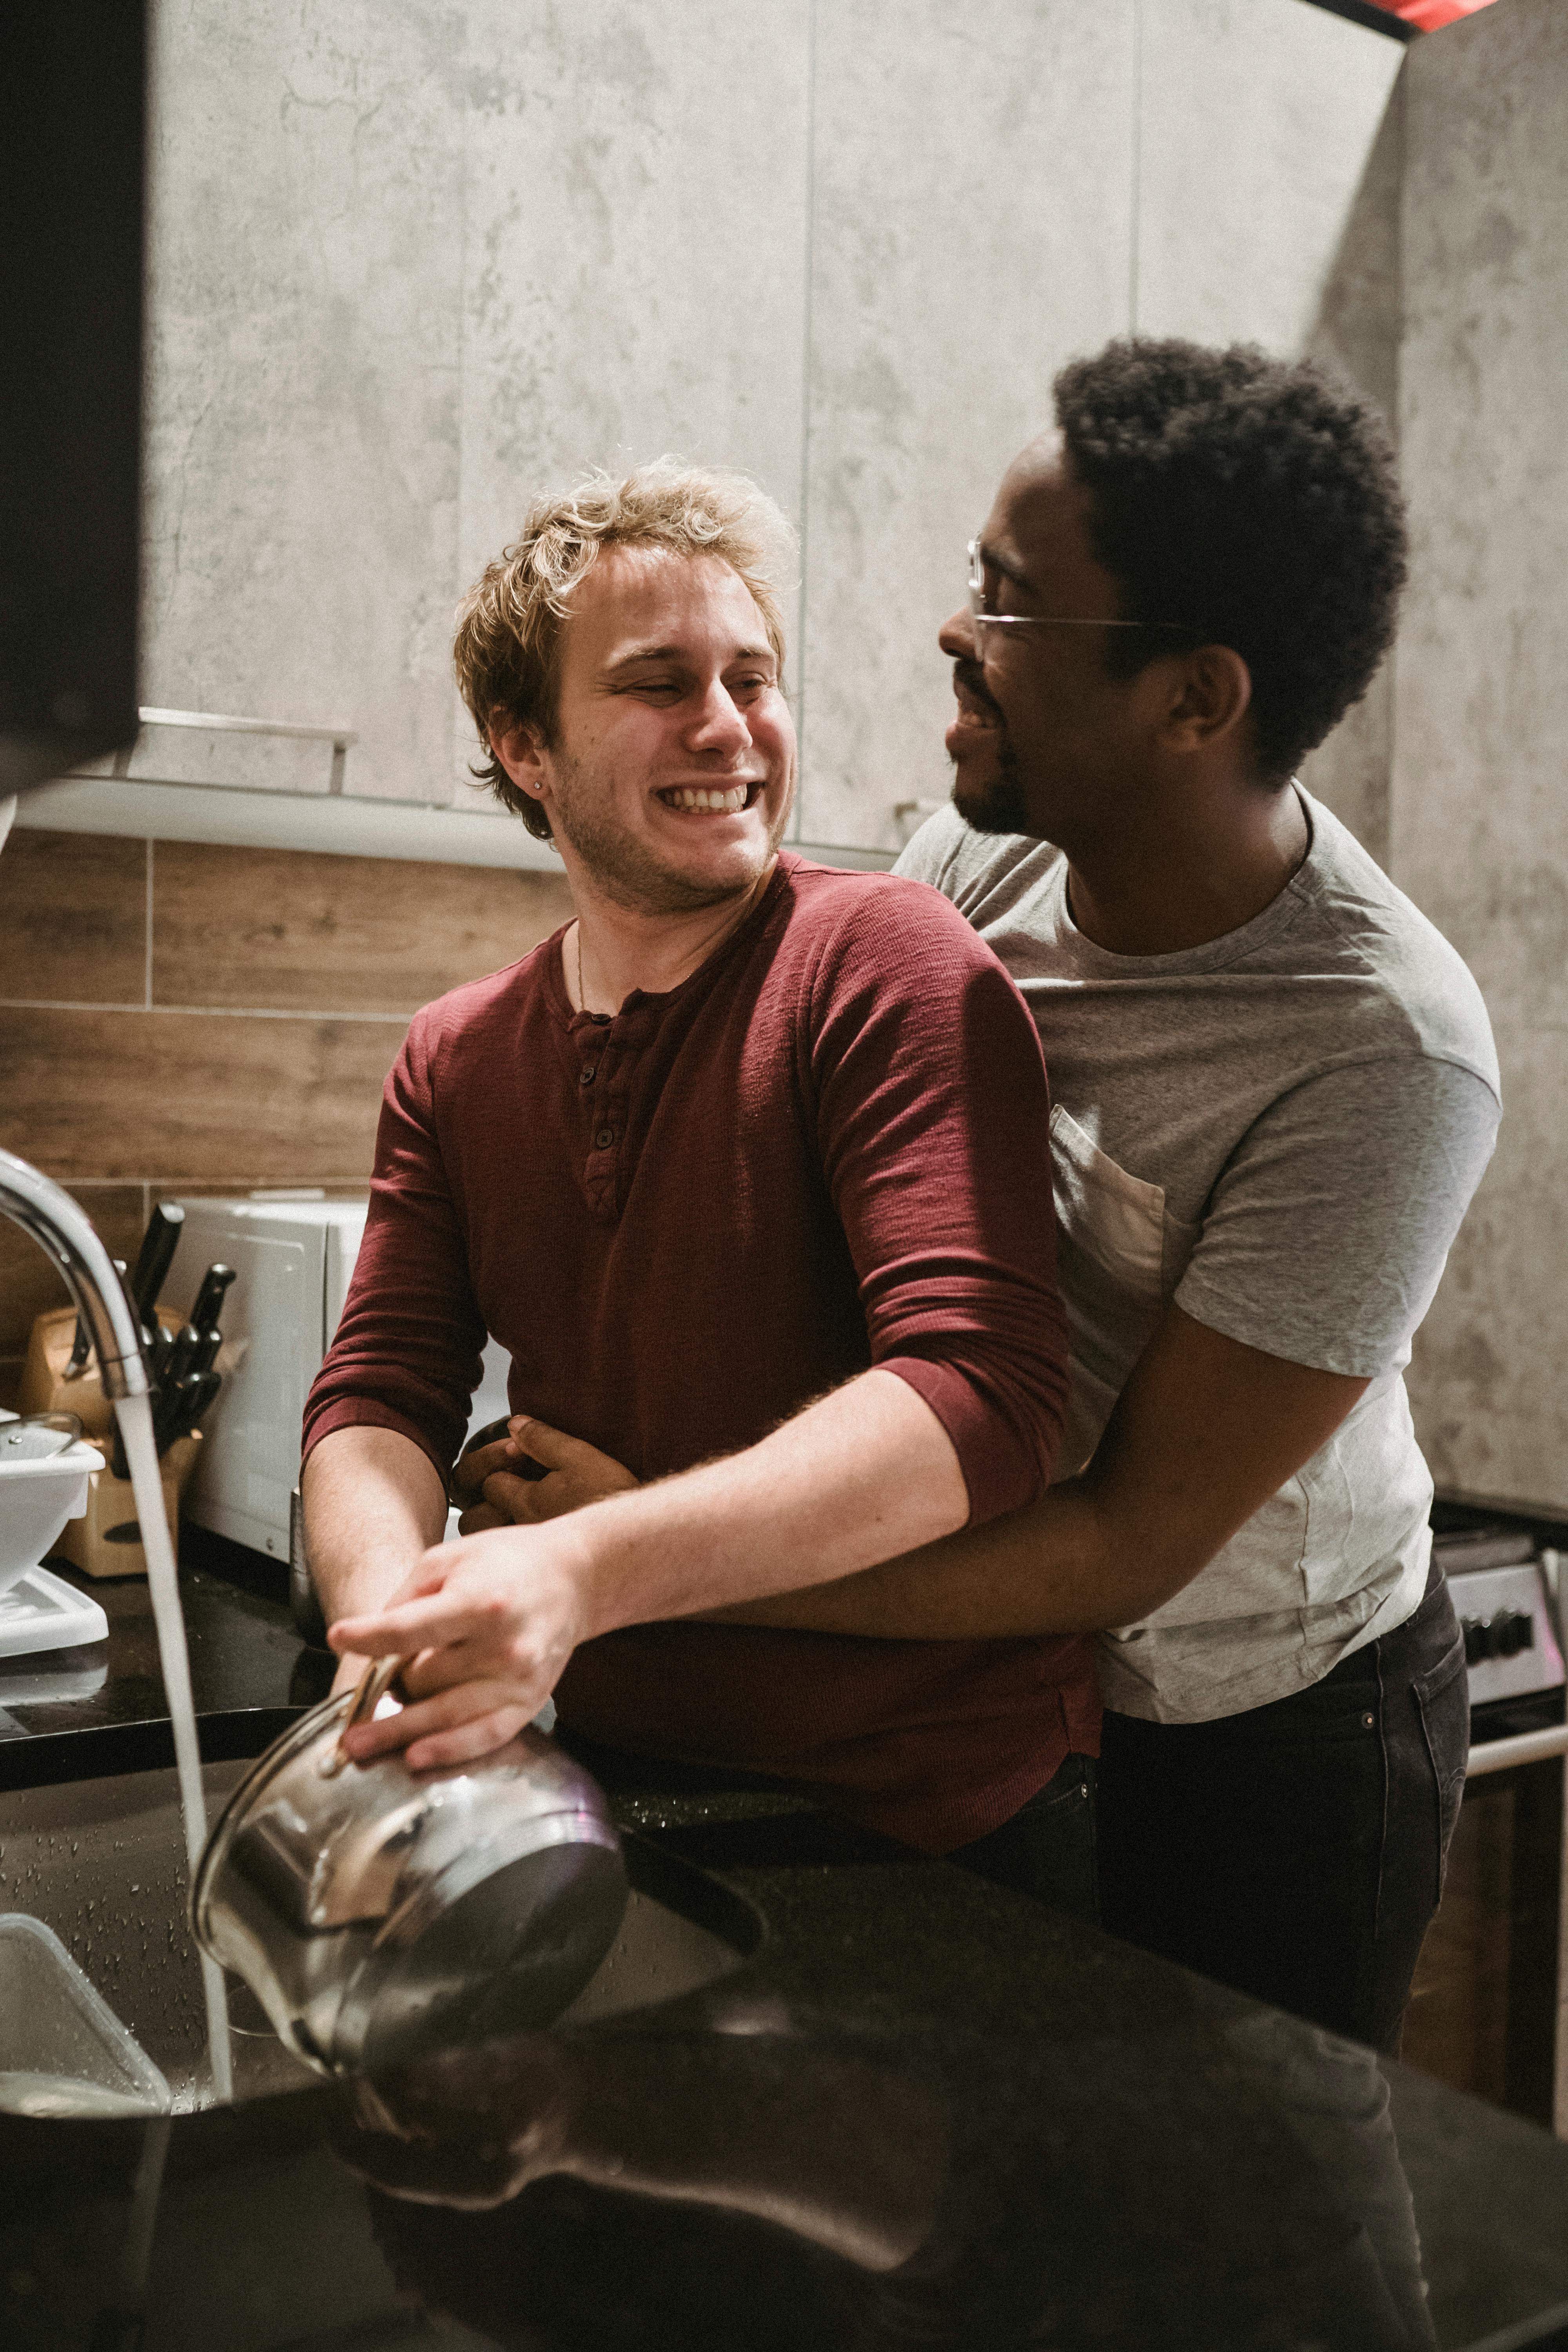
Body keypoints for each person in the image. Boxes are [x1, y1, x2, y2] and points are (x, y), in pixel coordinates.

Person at [478, 345, 1498, 2056]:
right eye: (977, 585)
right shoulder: (976, 861)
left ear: (1194, 699)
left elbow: (1129, 1545)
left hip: (1277, 1721)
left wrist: (636, 1556)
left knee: (1273, 2266)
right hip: (1035, 1697)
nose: (957, 636)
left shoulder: (1383, 1051)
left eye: (1013, 611)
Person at [303, 460, 1099, 1908]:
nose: (728, 726)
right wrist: (391, 1633)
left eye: (754, 675)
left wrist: (581, 1569)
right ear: (524, 747)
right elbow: (379, 1396)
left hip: (928, 1830)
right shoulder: (457, 1054)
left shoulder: (883, 963)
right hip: (608, 1794)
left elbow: (981, 1400)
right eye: (659, 681)